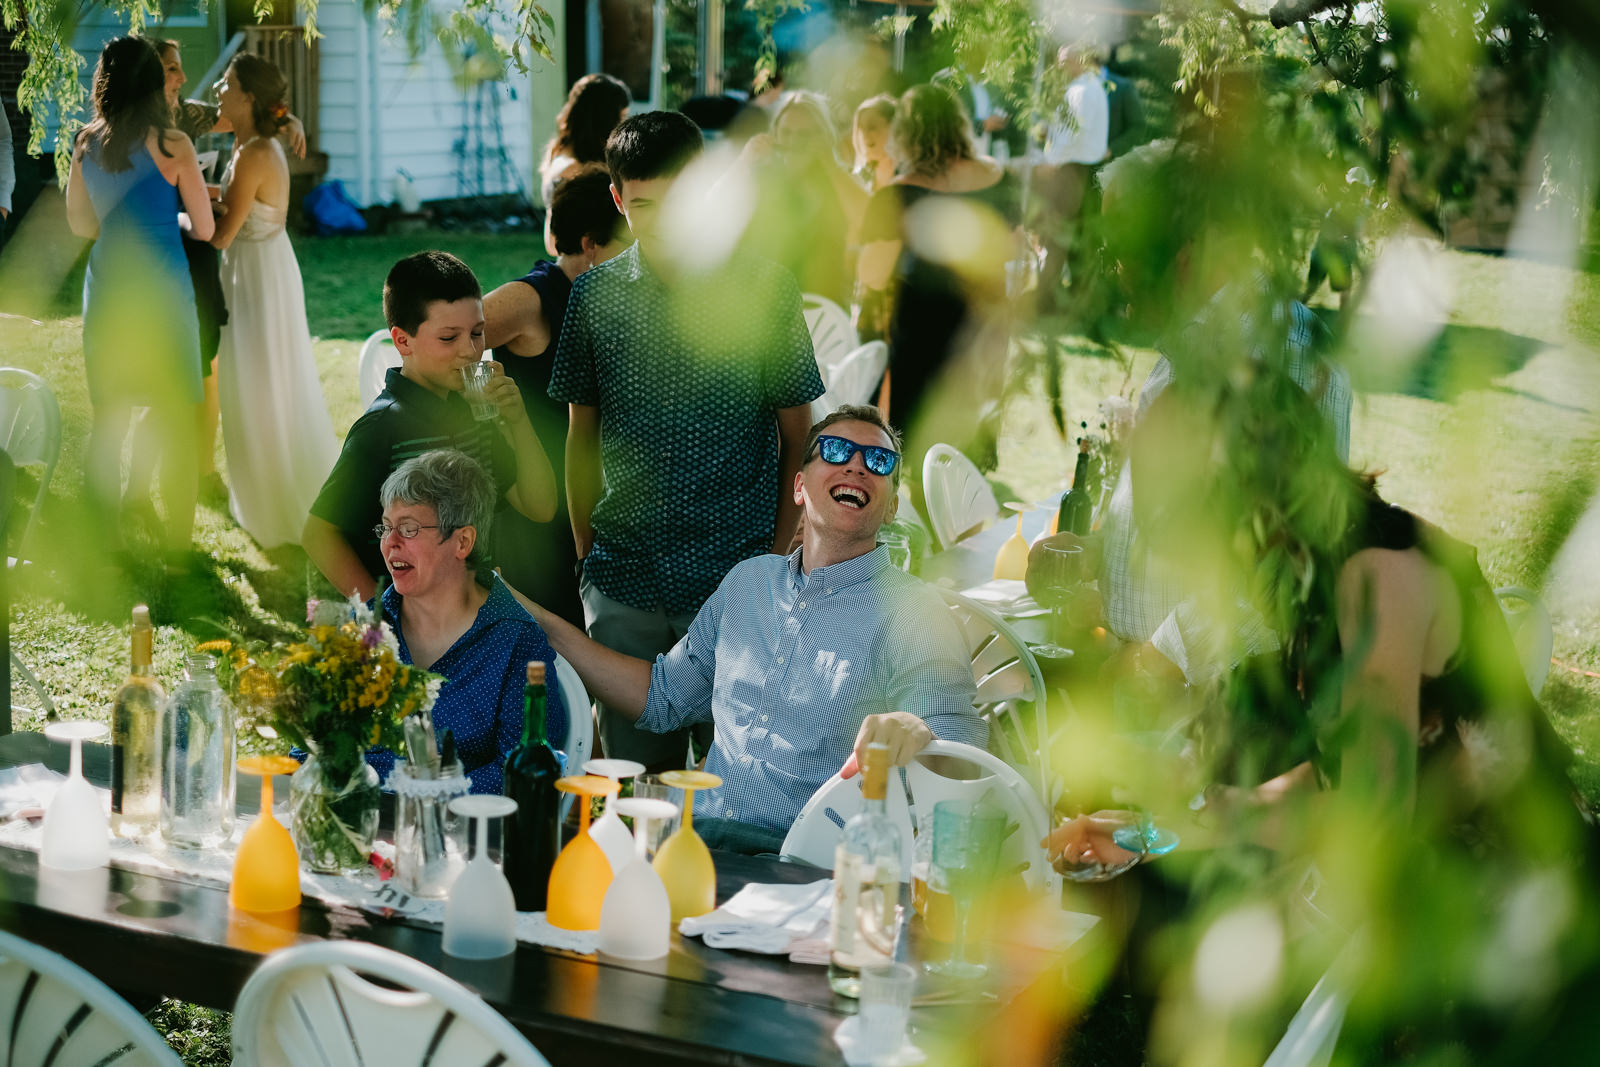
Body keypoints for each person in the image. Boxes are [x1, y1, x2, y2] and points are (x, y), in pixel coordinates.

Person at [527, 406, 982, 853]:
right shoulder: (749, 581)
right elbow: (664, 697)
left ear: (891, 509)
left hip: (806, 862)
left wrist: (917, 728)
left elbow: (959, 758)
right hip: (697, 838)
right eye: (837, 450)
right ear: (799, 488)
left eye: (878, 461)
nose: (858, 465)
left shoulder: (916, 612)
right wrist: (547, 627)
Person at [549, 109, 824, 773]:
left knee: (736, 781)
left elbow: (799, 435)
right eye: (644, 205)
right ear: (618, 200)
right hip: (622, 583)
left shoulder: (764, 289)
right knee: (635, 785)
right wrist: (588, 559)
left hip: (735, 578)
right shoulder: (592, 298)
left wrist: (774, 561)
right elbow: (580, 438)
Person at [304, 251, 557, 600]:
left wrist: (517, 420)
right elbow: (319, 534)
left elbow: (540, 506)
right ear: (403, 341)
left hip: (474, 608)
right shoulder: (383, 426)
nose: (470, 351)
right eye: (449, 338)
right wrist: (384, 615)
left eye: (478, 333)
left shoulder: (474, 414)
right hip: (417, 624)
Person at [134, 37, 307, 506]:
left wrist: (286, 116)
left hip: (230, 262)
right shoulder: (132, 126)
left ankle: (207, 471)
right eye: (173, 69)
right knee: (192, 371)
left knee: (225, 371)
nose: (189, 80)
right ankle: (157, 479)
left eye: (227, 84)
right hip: (187, 262)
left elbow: (224, 225)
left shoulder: (208, 126)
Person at [65, 36, 211, 563]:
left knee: (110, 423)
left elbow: (81, 224)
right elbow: (205, 225)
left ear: (104, 84)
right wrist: (165, 218)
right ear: (154, 84)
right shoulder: (174, 144)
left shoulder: (86, 143)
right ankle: (176, 550)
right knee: (174, 421)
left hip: (108, 297)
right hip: (164, 299)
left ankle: (105, 545)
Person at [369, 449, 567, 794]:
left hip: (466, 839)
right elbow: (311, 745)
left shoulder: (515, 643)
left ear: (462, 541)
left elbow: (522, 772)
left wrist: (427, 799)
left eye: (409, 529)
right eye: (386, 528)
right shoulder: (364, 628)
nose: (390, 543)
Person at [483, 165, 629, 627]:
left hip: (596, 490)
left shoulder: (610, 297)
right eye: (625, 245)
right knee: (551, 631)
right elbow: (448, 337)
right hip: (540, 501)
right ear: (590, 244)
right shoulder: (533, 299)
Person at [208, 54, 338, 548]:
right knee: (254, 381)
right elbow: (234, 200)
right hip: (257, 268)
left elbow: (220, 236)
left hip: (257, 275)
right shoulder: (250, 142)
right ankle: (260, 494)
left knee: (259, 385)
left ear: (248, 98)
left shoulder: (257, 152)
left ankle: (276, 503)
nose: (219, 87)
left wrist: (175, 216)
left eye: (228, 82)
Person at [857, 84, 1020, 465]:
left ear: (906, 135)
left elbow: (873, 276)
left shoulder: (897, 194)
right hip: (983, 328)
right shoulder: (999, 178)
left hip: (921, 333)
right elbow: (1011, 250)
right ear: (959, 125)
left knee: (914, 448)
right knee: (961, 452)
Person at [739, 91, 867, 306]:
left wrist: (830, 163)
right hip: (766, 308)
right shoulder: (762, 176)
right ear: (775, 134)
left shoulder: (837, 178)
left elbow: (871, 222)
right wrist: (744, 162)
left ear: (824, 136)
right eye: (786, 133)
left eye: (805, 134)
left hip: (824, 312)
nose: (794, 141)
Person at [538, 73, 630, 249]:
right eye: (621, 117)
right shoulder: (574, 169)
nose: (623, 124)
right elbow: (557, 241)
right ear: (604, 120)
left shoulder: (560, 149)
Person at [851, 94, 897, 194]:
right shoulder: (859, 179)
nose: (864, 135)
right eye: (861, 128)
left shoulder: (910, 177)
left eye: (872, 127)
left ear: (892, 128)